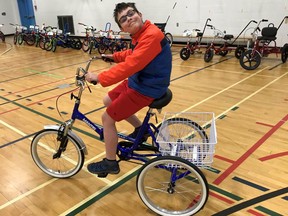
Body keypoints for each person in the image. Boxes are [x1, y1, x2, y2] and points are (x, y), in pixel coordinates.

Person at [85, 2, 172, 175]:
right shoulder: (140, 35)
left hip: (147, 87)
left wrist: (100, 77)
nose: (129, 19)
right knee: (107, 100)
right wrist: (113, 57)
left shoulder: (151, 35)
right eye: (123, 19)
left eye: (130, 13)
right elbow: (133, 54)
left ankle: (110, 162)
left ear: (139, 13)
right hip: (140, 81)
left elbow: (131, 64)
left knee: (107, 119)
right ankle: (141, 129)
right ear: (123, 28)